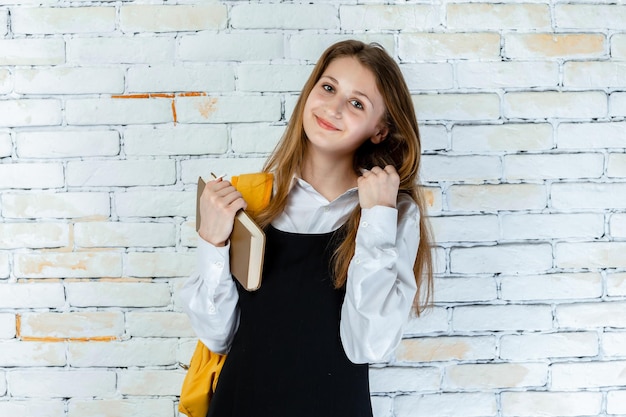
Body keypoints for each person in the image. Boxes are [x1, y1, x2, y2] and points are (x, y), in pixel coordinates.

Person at [179, 39, 434, 417]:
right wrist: (212, 241)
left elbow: (367, 346)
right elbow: (219, 336)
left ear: (380, 130)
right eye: (328, 87)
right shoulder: (253, 197)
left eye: (357, 102)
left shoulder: (391, 213)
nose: (333, 107)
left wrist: (376, 217)